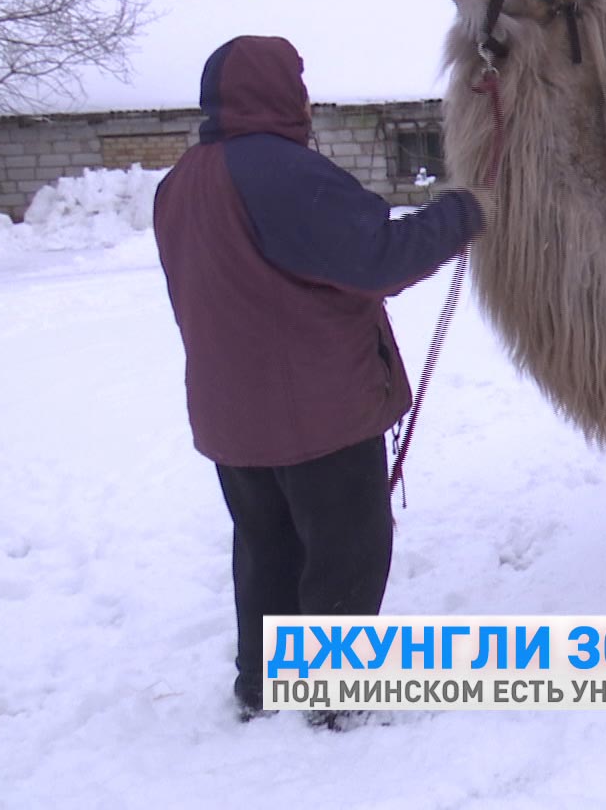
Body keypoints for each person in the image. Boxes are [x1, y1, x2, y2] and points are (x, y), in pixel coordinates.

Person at [153, 35, 490, 722]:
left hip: (232, 420)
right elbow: (379, 258)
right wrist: (464, 210)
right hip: (316, 416)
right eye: (298, 83)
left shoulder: (180, 182)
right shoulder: (282, 174)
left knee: (266, 549)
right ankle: (335, 699)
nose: (305, 98)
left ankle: (262, 684)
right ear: (276, 92)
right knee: (345, 552)